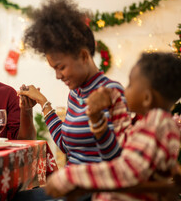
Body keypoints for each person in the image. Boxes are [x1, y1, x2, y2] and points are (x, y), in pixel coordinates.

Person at [45, 52, 181, 201]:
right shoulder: (154, 124)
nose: (124, 90)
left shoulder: (156, 127)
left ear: (147, 98)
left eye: (130, 85)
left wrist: (70, 176)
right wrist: (111, 102)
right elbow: (121, 143)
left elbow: (125, 171)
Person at [18, 0, 130, 166]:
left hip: (93, 188)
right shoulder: (75, 93)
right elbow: (66, 146)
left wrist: (97, 120)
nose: (58, 76)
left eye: (61, 67)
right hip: (72, 182)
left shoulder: (111, 91)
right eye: (54, 69)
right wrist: (42, 102)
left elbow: (118, 160)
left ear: (83, 55)